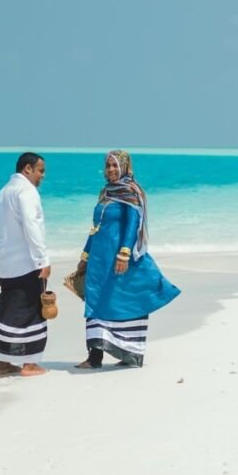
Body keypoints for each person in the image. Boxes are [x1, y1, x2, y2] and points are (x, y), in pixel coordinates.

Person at [75, 150, 180, 369]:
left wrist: (123, 254)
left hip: (120, 259)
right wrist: (84, 256)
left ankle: (129, 353)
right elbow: (95, 228)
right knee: (95, 300)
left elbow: (133, 224)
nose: (111, 170)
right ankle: (95, 357)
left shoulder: (131, 192)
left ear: (124, 167)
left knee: (127, 301)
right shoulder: (105, 192)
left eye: (115, 166)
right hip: (99, 259)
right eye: (108, 166)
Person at [0, 152, 52, 378]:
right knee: (34, 312)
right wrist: (42, 260)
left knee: (9, 312)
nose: (42, 176)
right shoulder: (26, 191)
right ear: (27, 169)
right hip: (27, 264)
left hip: (6, 265)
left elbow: (0, 232)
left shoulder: (3, 192)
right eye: (40, 170)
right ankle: (30, 364)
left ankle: (4, 363)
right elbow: (31, 226)